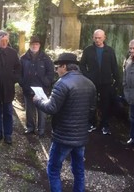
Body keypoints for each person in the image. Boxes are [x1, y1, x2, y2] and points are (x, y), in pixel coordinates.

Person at [33, 53, 96, 192]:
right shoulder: (89, 83)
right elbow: (92, 110)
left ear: (64, 66)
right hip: (80, 136)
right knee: (79, 170)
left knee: (53, 170)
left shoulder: (62, 84)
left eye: (57, 68)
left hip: (63, 136)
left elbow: (51, 108)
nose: (56, 71)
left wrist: (38, 101)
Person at [79, 29, 120, 135]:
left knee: (105, 104)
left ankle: (104, 125)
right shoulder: (88, 50)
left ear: (104, 38)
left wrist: (117, 81)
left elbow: (114, 66)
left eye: (99, 38)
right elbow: (82, 65)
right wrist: (87, 75)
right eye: (95, 37)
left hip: (106, 83)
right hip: (92, 82)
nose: (97, 40)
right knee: (91, 103)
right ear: (93, 37)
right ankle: (91, 123)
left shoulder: (110, 50)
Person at [19, 36, 54, 136]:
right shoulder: (23, 58)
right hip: (28, 88)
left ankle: (41, 130)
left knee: (42, 110)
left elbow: (50, 72)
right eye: (33, 44)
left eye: (37, 44)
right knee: (29, 110)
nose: (35, 46)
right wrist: (22, 83)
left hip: (42, 89)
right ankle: (30, 127)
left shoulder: (46, 58)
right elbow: (18, 72)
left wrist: (46, 82)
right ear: (29, 45)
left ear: (39, 45)